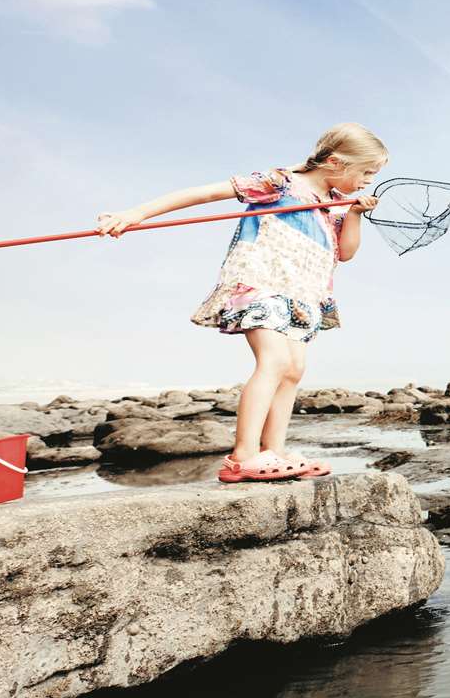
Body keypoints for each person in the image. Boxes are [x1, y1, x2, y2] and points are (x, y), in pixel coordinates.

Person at [95, 123, 386, 482]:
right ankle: (243, 456)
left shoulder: (334, 205)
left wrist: (355, 214)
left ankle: (273, 451)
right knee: (275, 361)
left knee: (294, 369)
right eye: (367, 172)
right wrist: (135, 214)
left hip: (303, 293)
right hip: (262, 279)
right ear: (335, 162)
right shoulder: (279, 182)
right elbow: (204, 195)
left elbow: (346, 253)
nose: (367, 181)